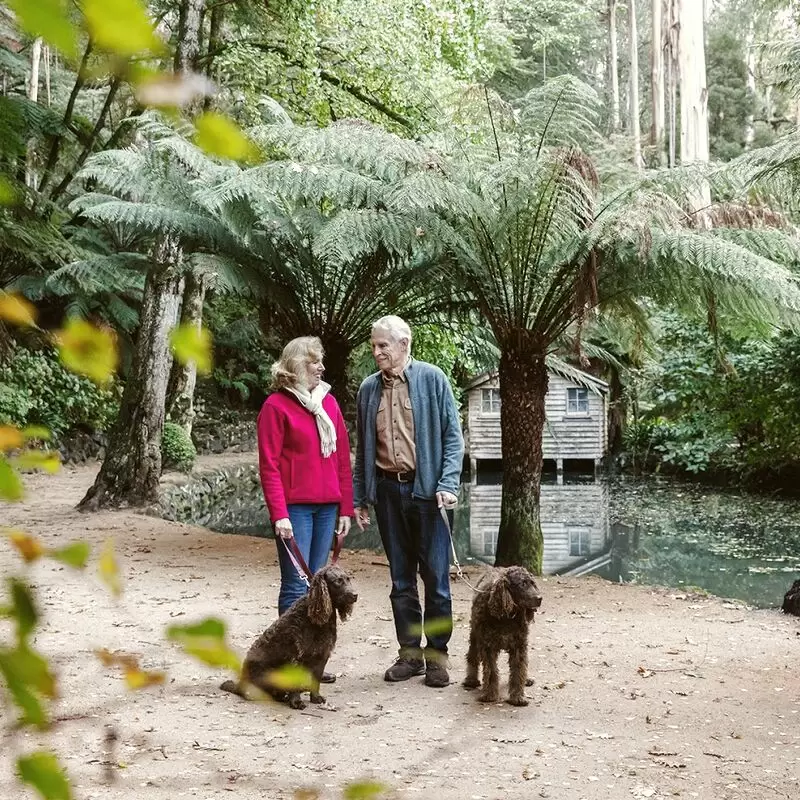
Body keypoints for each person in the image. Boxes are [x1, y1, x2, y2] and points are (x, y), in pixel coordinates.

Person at [353, 315, 463, 688]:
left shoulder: (433, 379)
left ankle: (436, 657)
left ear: (404, 344)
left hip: (428, 494)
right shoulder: (368, 389)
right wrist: (360, 496)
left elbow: (453, 437)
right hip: (386, 492)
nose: (377, 352)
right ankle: (410, 655)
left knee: (436, 580)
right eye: (373, 346)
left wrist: (448, 483)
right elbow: (363, 449)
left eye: (383, 345)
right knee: (400, 580)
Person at [257, 336, 354, 682]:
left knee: (322, 588)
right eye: (314, 362)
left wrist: (346, 506)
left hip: (328, 507)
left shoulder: (329, 405)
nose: (322, 368)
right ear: (296, 365)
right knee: (297, 587)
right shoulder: (275, 407)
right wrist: (279, 513)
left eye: (321, 362)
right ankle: (288, 662)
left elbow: (342, 458)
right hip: (294, 509)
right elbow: (268, 465)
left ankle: (313, 661)